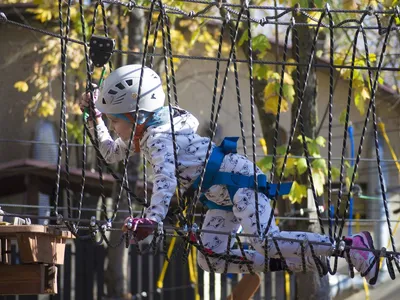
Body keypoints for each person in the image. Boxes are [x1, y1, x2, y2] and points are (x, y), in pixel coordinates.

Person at [80, 64, 380, 284]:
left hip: (239, 184)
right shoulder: (148, 132)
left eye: (114, 121)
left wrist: (153, 218)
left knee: (264, 239)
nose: (114, 128)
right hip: (220, 197)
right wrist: (94, 117)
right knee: (210, 256)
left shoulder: (160, 139)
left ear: (137, 117)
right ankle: (301, 260)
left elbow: (165, 179)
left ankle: (351, 247)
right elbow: (109, 152)